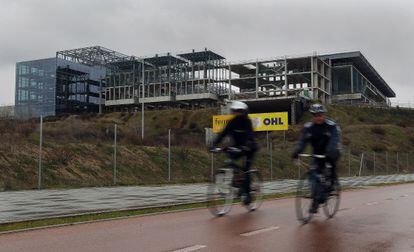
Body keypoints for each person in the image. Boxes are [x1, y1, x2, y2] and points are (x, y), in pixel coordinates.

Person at [292, 103, 341, 213]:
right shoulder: (308, 128)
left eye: (320, 115)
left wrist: (330, 151)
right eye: (315, 115)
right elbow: (302, 141)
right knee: (313, 174)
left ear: (324, 114)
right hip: (317, 153)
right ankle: (315, 200)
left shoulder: (331, 126)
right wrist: (297, 151)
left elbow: (334, 140)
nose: (318, 117)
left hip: (331, 151)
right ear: (312, 116)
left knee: (331, 164)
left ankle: (332, 183)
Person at [212, 101, 258, 205]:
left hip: (249, 148)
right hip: (237, 147)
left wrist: (247, 145)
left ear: (244, 112)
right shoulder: (232, 122)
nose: (237, 113)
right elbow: (223, 133)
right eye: (235, 111)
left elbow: (250, 135)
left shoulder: (247, 121)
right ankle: (236, 182)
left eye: (239, 111)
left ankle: (248, 194)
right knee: (230, 162)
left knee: (246, 169)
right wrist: (214, 144)